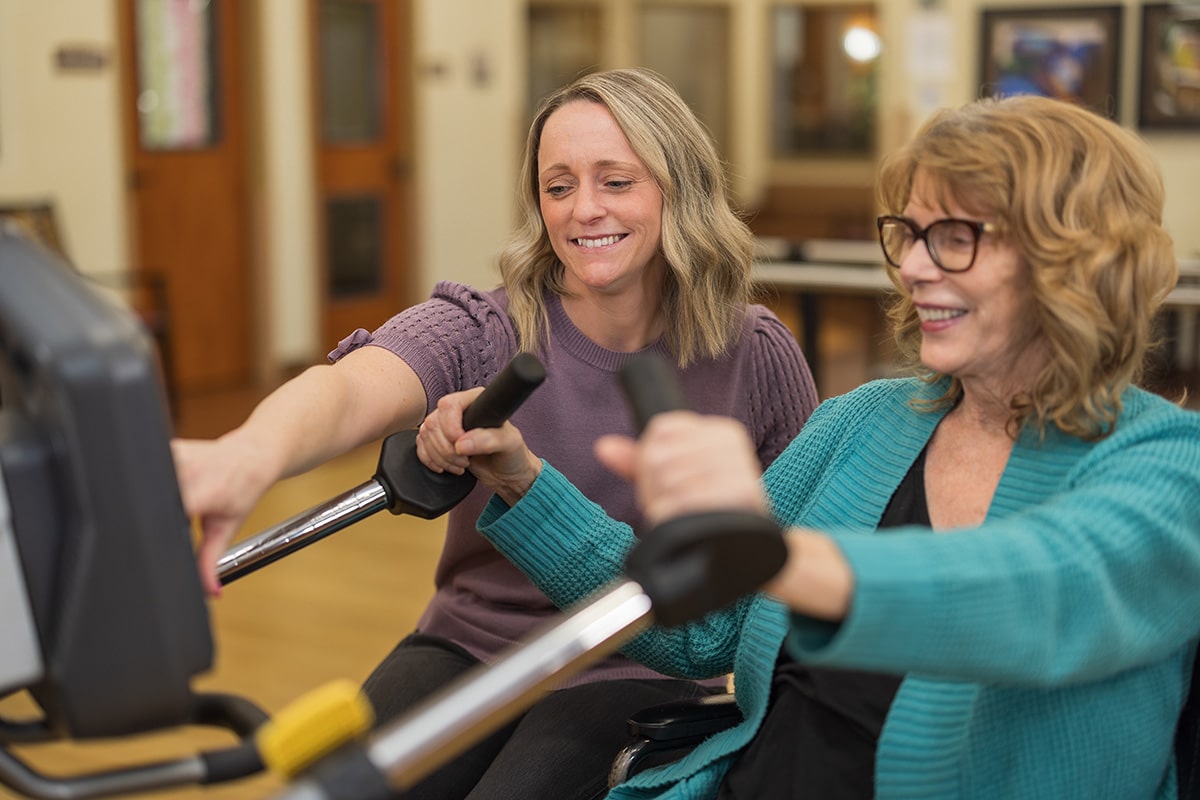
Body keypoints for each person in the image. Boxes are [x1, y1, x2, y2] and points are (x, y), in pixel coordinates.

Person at [465, 94, 1200, 799]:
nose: (912, 266)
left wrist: (777, 555)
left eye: (954, 237)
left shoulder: (1167, 462)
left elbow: (1033, 595)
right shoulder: (865, 422)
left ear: (1074, 262)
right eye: (909, 234)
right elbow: (704, 634)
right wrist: (527, 483)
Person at [171, 67, 817, 800]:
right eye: (559, 185)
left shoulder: (756, 354)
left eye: (616, 181)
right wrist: (246, 455)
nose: (583, 210)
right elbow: (353, 385)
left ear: (680, 188)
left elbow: (796, 563)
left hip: (635, 664)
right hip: (471, 641)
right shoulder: (487, 328)